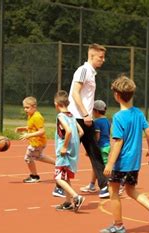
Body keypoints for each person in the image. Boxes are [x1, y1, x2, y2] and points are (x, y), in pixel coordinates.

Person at [100, 76, 149, 233]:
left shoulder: (118, 117)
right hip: (134, 163)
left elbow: (118, 142)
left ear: (116, 95)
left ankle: (118, 225)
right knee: (130, 190)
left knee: (113, 192)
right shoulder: (138, 113)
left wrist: (109, 164)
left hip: (121, 162)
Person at [68, 43, 109, 198]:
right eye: (101, 57)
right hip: (78, 118)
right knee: (70, 152)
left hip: (85, 119)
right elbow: (75, 93)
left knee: (94, 151)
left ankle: (104, 186)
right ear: (91, 56)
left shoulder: (91, 73)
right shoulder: (83, 70)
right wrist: (86, 114)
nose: (103, 60)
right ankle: (61, 185)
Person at [52, 90, 86, 212]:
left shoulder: (60, 116)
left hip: (64, 152)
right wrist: (74, 143)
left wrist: (65, 146)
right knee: (66, 178)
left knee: (58, 178)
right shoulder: (71, 116)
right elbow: (81, 132)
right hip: (73, 152)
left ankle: (76, 197)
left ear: (56, 104)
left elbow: (69, 131)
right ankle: (67, 202)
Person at [15, 96, 55, 183]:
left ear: (34, 106)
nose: (25, 109)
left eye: (27, 107)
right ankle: (58, 164)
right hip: (36, 142)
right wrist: (23, 128)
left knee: (28, 158)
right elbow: (32, 127)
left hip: (38, 143)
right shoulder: (31, 115)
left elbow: (42, 131)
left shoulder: (37, 117)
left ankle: (34, 176)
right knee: (39, 157)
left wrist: (29, 135)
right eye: (24, 107)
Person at [80, 100, 111, 193]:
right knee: (96, 165)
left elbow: (97, 136)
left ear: (96, 111)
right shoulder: (107, 121)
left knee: (103, 167)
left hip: (101, 147)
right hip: (106, 145)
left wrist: (91, 148)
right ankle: (92, 184)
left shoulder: (97, 122)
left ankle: (118, 182)